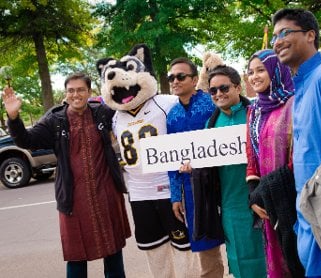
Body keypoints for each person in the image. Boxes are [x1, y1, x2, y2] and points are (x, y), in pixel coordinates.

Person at [2, 72, 131, 277]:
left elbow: (130, 113)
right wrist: (14, 117)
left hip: (106, 193)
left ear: (89, 92)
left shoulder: (103, 113)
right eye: (71, 90)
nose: (75, 94)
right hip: (73, 199)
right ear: (65, 93)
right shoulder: (55, 120)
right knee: (76, 257)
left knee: (113, 251)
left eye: (80, 90)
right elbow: (27, 141)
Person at [96, 43, 194, 278]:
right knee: (154, 249)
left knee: (183, 247)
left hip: (170, 190)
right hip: (139, 192)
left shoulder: (165, 103)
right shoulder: (114, 117)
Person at [271, 8, 321, 277]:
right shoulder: (299, 85)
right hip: (308, 216)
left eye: (285, 32)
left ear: (311, 35)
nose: (277, 41)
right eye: (275, 37)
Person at [182, 65, 267, 278]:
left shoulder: (257, 116)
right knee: (239, 261)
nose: (219, 94)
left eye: (224, 88)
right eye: (213, 90)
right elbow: (204, 165)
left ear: (238, 87)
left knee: (269, 259)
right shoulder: (209, 126)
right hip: (231, 207)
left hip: (261, 200)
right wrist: (193, 167)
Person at [246, 49, 301, 277]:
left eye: (261, 70)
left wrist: (268, 189)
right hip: (266, 201)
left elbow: (297, 155)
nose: (254, 76)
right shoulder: (254, 110)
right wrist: (253, 195)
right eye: (250, 72)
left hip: (292, 198)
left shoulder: (293, 104)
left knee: (297, 257)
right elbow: (251, 152)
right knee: (275, 258)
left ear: (276, 71)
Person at [166, 57, 224, 277]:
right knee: (206, 249)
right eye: (171, 77)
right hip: (193, 191)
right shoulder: (172, 116)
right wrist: (175, 196)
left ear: (194, 78)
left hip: (224, 183)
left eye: (181, 76)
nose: (175, 81)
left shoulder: (213, 102)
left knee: (241, 243)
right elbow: (170, 158)